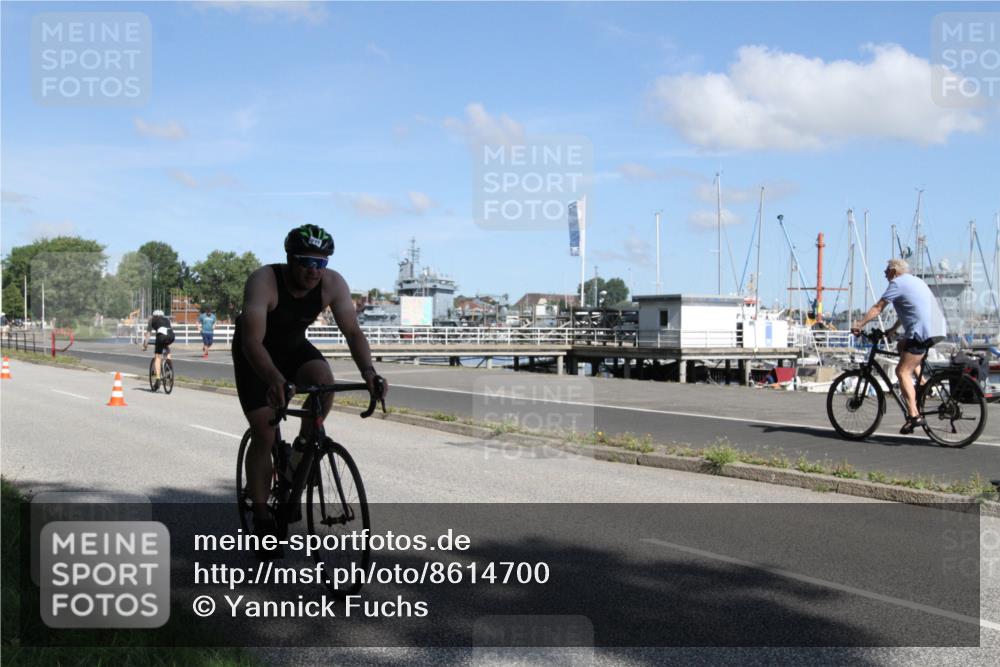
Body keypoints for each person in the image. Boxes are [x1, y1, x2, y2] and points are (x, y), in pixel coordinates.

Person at [233, 224, 387, 554]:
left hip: (292, 347)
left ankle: (300, 452)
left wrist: (369, 373)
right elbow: (251, 342)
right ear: (289, 259)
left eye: (321, 263)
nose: (314, 270)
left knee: (324, 381)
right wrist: (274, 379)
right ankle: (262, 515)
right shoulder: (264, 281)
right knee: (264, 431)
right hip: (255, 352)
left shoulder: (333, 284)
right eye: (306, 262)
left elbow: (353, 332)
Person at [852, 258, 947, 434]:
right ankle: (923, 383)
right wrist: (893, 329)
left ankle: (914, 415)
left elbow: (878, 307)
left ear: (894, 271)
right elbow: (911, 309)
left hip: (922, 331)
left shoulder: (897, 283)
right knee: (902, 345)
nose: (884, 274)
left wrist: (860, 324)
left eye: (886, 271)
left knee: (902, 372)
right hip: (937, 328)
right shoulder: (915, 281)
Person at [142, 309, 175, 390]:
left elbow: (148, 335)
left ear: (154, 315)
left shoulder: (152, 320)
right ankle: (168, 365)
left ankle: (157, 378)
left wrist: (145, 345)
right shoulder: (167, 319)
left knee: (157, 356)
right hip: (171, 336)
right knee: (167, 348)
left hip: (161, 336)